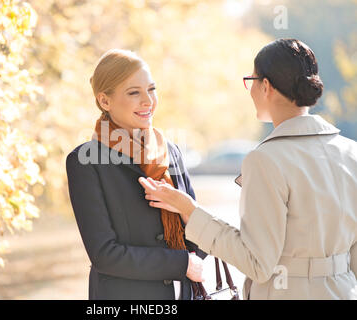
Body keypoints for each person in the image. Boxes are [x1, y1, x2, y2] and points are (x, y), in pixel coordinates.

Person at [139, 38, 357, 300]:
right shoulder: (350, 151)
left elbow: (257, 263)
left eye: (250, 80)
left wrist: (189, 210)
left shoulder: (265, 159)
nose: (249, 90)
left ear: (266, 86)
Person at [66, 49, 207, 300]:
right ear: (105, 101)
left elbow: (201, 244)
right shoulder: (85, 162)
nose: (148, 101)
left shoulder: (170, 152)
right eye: (134, 93)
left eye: (151, 89)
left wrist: (186, 211)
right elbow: (105, 255)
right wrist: (180, 263)